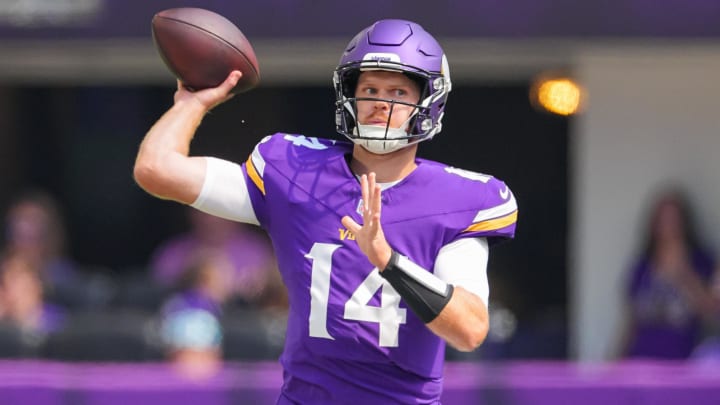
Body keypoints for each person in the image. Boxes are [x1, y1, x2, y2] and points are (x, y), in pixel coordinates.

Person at [134, 19, 517, 404]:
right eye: (369, 89)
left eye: (398, 91)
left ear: (428, 102)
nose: (381, 102)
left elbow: (469, 330)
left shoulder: (459, 199)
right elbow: (157, 170)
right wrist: (191, 103)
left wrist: (388, 260)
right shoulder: (297, 172)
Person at [621, 188, 720, 360]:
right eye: (663, 218)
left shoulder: (700, 260)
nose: (668, 225)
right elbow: (633, 321)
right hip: (641, 360)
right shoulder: (643, 265)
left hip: (681, 361)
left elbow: (711, 310)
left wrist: (684, 273)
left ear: (684, 222)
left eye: (674, 218)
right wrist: (616, 362)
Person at [150, 207, 283, 308]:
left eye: (218, 211)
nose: (211, 219)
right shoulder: (172, 254)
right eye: (203, 210)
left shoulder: (258, 253)